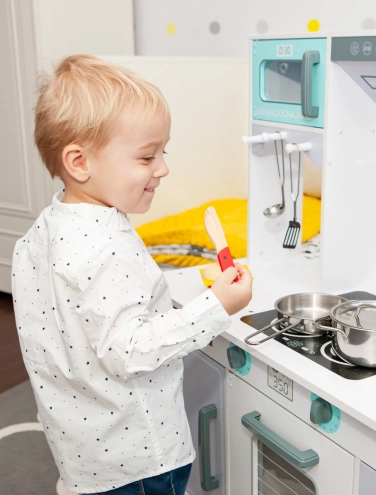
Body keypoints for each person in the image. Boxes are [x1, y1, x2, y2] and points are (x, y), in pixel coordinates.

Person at [11, 54, 252, 494]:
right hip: (137, 459)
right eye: (146, 156)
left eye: (163, 151)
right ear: (79, 163)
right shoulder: (105, 247)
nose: (162, 168)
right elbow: (131, 350)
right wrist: (216, 306)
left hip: (83, 452)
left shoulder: (43, 232)